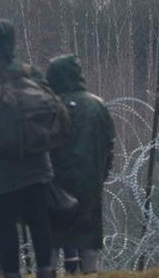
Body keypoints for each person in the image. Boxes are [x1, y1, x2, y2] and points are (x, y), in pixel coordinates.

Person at [0, 19, 57, 278]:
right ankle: (46, 270)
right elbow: (51, 107)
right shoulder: (31, 72)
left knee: (4, 224)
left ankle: (12, 273)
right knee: (40, 220)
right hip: (37, 161)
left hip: (0, 165)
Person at [46, 54, 116, 274]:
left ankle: (47, 271)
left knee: (51, 232)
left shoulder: (51, 106)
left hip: (56, 178)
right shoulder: (97, 104)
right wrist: (102, 172)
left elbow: (42, 143)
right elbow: (109, 143)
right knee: (87, 232)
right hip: (89, 179)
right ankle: (90, 271)